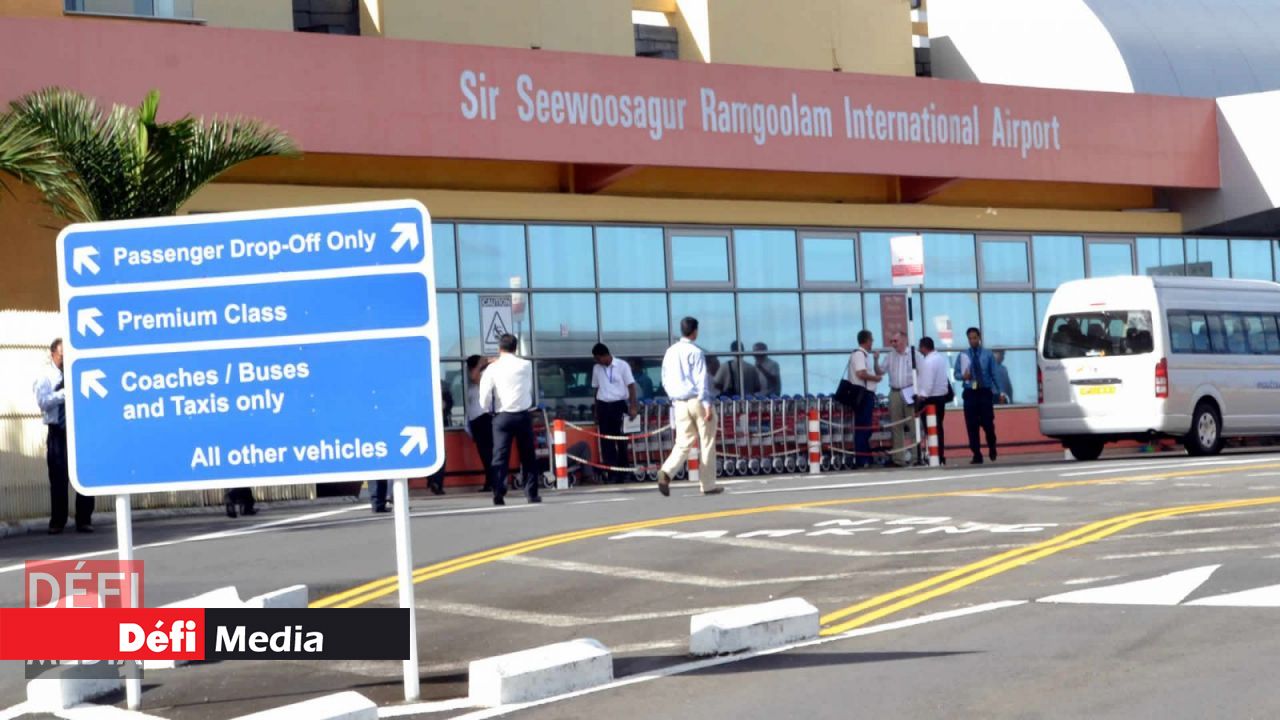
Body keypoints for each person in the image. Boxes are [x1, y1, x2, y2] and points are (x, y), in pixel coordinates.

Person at [656, 317, 723, 497]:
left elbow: (665, 380)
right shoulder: (696, 352)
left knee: (682, 443)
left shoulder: (670, 352)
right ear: (695, 331)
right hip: (697, 400)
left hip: (679, 403)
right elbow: (702, 380)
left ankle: (666, 472)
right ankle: (708, 485)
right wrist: (707, 404)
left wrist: (674, 398)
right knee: (707, 442)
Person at [33, 338, 94, 534]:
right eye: (61, 356)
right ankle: (58, 521)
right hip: (58, 431)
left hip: (79, 429)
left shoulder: (76, 371)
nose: (65, 359)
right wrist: (64, 394)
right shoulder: (45, 376)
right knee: (58, 477)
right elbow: (43, 402)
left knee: (84, 473)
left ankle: (84, 519)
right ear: (53, 354)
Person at [479, 334, 541, 505]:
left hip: (502, 416)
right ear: (516, 348)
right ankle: (531, 494)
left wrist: (487, 409)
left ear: (499, 348)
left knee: (499, 456)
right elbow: (528, 387)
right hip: (522, 415)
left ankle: (498, 492)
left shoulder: (492, 368)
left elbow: (484, 395)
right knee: (527, 456)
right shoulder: (526, 365)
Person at [590, 343, 638, 484]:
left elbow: (631, 386)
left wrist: (633, 406)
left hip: (619, 405)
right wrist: (596, 410)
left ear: (605, 355)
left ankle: (624, 472)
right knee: (606, 442)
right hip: (603, 406)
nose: (597, 361)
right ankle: (612, 473)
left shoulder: (622, 365)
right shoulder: (596, 368)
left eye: (598, 358)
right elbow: (596, 389)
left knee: (622, 440)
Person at [955, 327, 999, 464]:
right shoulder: (963, 355)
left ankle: (992, 446)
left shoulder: (988, 355)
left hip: (984, 392)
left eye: (974, 338)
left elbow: (994, 374)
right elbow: (956, 374)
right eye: (970, 338)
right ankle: (976, 454)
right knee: (971, 425)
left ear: (979, 338)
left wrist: (1000, 391)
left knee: (988, 424)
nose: (972, 341)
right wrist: (963, 376)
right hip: (970, 393)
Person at [849, 330, 883, 469]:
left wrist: (875, 360)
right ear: (867, 340)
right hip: (863, 395)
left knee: (865, 427)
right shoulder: (859, 354)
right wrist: (875, 378)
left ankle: (865, 456)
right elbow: (861, 373)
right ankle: (862, 459)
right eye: (871, 340)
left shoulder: (864, 355)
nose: (872, 343)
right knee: (863, 427)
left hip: (866, 395)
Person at [916, 336, 951, 465]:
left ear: (923, 347)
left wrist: (922, 396)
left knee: (931, 430)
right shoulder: (940, 359)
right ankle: (939, 455)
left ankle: (935, 456)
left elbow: (928, 383)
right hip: (941, 398)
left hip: (931, 400)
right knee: (938, 429)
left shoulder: (928, 362)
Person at [884, 331, 916, 467]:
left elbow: (922, 372)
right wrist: (875, 361)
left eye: (895, 341)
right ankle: (898, 459)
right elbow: (880, 371)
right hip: (895, 392)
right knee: (896, 426)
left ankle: (915, 457)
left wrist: (920, 392)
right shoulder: (890, 356)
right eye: (891, 341)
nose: (893, 344)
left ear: (903, 340)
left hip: (909, 391)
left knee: (913, 425)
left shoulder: (913, 355)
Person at [465, 355, 495, 493]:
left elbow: (474, 376)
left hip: (484, 418)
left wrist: (482, 362)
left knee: (487, 452)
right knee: (484, 453)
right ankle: (490, 481)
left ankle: (492, 482)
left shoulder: (483, 377)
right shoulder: (471, 382)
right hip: (475, 420)